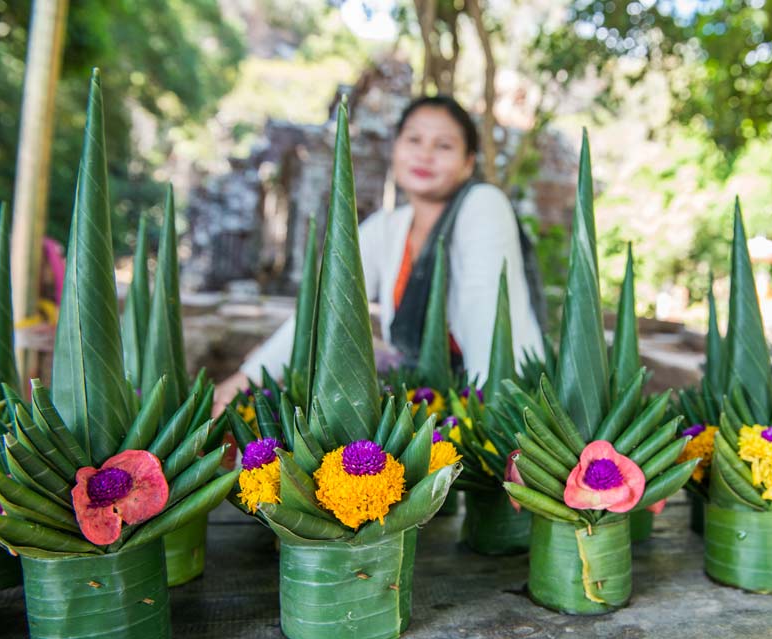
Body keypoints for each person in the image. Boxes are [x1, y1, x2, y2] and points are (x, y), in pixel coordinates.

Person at [214, 95, 545, 410]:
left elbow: (487, 320)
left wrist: (492, 436)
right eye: (413, 140)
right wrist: (244, 381)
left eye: (444, 145)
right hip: (430, 401)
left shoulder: (483, 205)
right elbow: (325, 310)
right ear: (396, 148)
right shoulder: (387, 228)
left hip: (494, 401)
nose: (425, 154)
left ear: (467, 163)